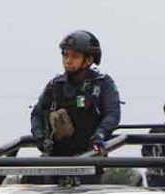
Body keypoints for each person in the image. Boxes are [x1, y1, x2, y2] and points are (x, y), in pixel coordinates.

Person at [30, 30, 121, 162]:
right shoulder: (55, 85)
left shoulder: (102, 84)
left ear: (89, 60)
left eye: (75, 56)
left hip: (89, 159)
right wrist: (39, 136)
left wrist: (100, 135)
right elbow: (37, 113)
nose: (68, 61)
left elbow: (113, 114)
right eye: (65, 55)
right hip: (55, 158)